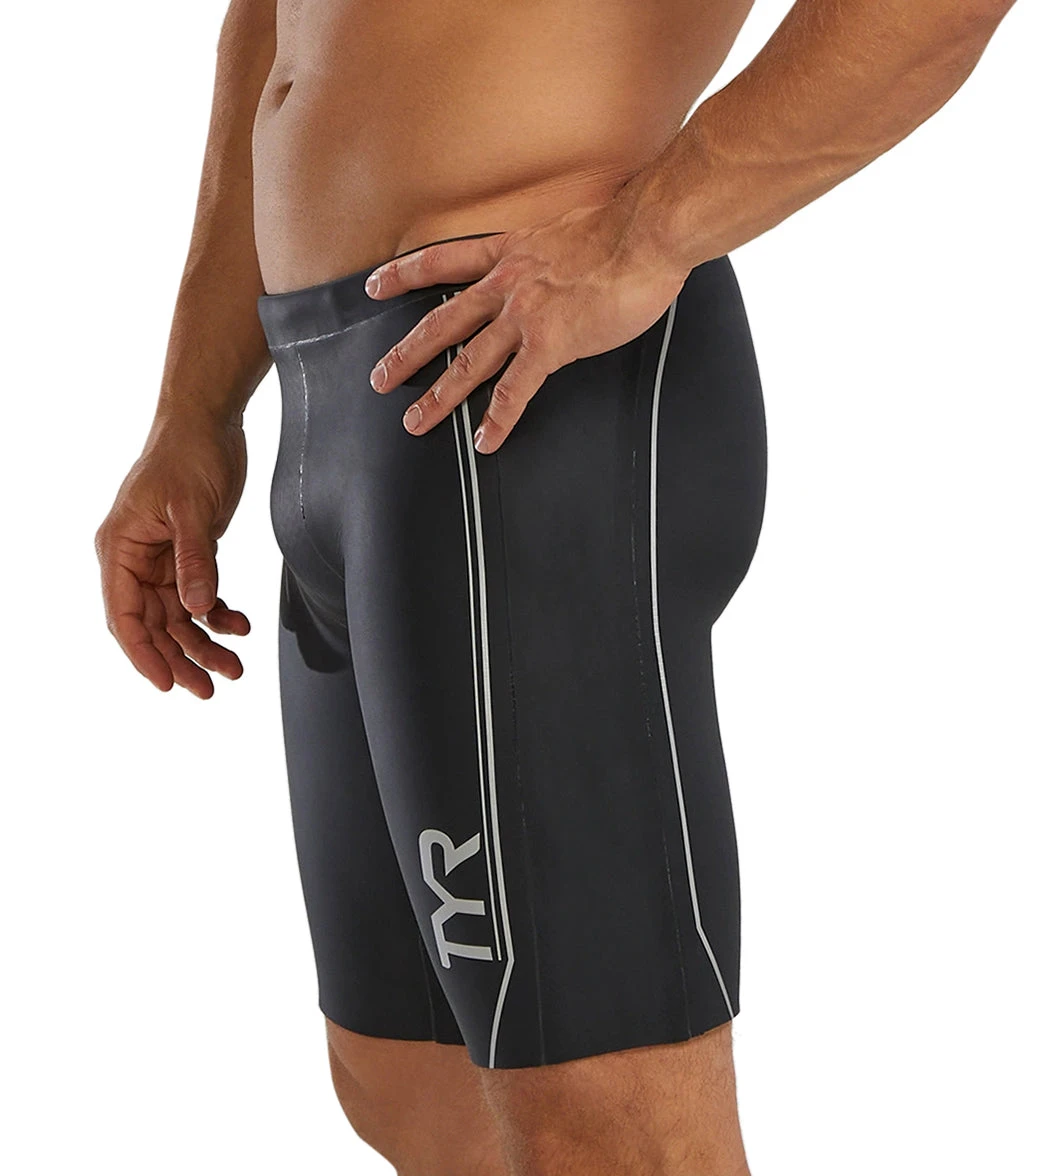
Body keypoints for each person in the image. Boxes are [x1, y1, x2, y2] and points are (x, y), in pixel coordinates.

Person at [95, 1, 1017, 1172]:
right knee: (410, 1090)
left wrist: (648, 232)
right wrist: (193, 405)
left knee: (608, 1133)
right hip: (336, 397)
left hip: (523, 383)